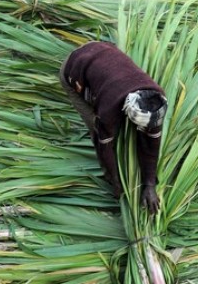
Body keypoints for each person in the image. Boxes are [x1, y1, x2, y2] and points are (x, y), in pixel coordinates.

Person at [60, 41, 167, 213]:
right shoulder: (109, 107)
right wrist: (115, 180)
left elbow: (152, 140)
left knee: (144, 132)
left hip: (104, 49)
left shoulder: (157, 98)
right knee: (96, 125)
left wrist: (149, 184)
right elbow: (104, 145)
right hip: (74, 68)